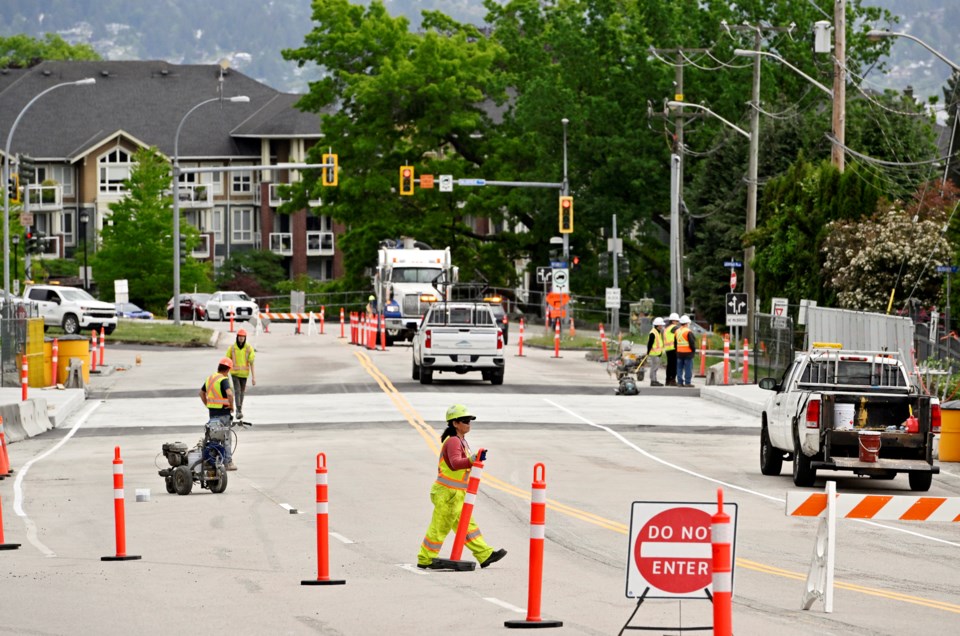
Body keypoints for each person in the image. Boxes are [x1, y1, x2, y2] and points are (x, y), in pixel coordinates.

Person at [417, 404, 507, 570]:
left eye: (469, 420)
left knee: (467, 525)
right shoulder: (453, 441)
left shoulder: (461, 441)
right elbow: (454, 464)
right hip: (447, 493)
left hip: (455, 493)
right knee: (440, 527)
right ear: (455, 423)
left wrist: (475, 459)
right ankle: (426, 558)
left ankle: (484, 554)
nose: (468, 423)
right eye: (465, 421)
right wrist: (472, 459)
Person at [200, 357, 237, 470]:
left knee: (214, 437)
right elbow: (229, 394)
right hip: (223, 413)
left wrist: (208, 405)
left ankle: (211, 460)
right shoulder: (223, 379)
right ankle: (228, 463)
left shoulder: (210, 378)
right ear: (228, 369)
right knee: (226, 438)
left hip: (212, 414)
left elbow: (201, 393)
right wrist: (231, 406)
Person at [226, 328, 256, 420]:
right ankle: (238, 411)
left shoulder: (249, 348)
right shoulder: (232, 348)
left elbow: (252, 363)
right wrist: (225, 374)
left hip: (244, 374)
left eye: (243, 337)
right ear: (237, 337)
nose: (241, 339)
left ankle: (239, 409)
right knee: (237, 391)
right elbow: (226, 361)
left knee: (242, 392)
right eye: (240, 337)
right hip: (234, 373)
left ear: (245, 338)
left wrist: (253, 377)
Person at [675, 315, 697, 387]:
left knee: (679, 368)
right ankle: (687, 383)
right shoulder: (688, 331)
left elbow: (675, 343)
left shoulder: (677, 331)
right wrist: (694, 350)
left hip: (679, 353)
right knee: (688, 368)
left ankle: (679, 382)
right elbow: (692, 343)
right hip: (688, 353)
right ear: (687, 323)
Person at [647, 317, 665, 386]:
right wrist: (648, 351)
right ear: (658, 325)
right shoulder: (653, 333)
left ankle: (654, 380)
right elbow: (650, 343)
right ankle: (653, 381)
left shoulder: (658, 332)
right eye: (661, 325)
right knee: (654, 367)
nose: (662, 326)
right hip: (654, 353)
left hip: (657, 353)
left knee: (656, 367)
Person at [663, 313, 680, 386]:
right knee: (674, 365)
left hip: (668, 349)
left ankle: (667, 380)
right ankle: (673, 380)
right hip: (673, 348)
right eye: (677, 321)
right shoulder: (674, 327)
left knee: (669, 365)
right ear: (673, 321)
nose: (677, 323)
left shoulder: (666, 328)